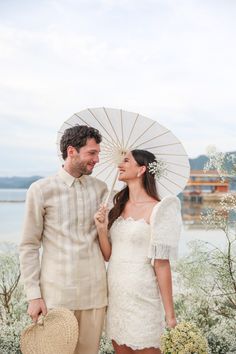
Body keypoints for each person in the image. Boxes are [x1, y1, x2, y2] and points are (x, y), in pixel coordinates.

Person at [19, 125, 108, 354]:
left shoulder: (102, 190)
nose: (97, 159)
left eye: (98, 153)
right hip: (56, 296)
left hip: (94, 294)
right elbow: (29, 245)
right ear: (71, 151)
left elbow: (107, 242)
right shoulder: (40, 190)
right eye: (92, 153)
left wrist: (103, 227)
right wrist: (34, 295)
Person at [94, 149, 182, 354]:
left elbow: (161, 264)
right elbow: (108, 255)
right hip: (116, 295)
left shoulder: (160, 209)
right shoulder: (118, 205)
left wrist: (170, 315)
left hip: (143, 296)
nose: (120, 164)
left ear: (142, 169)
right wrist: (101, 228)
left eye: (126, 160)